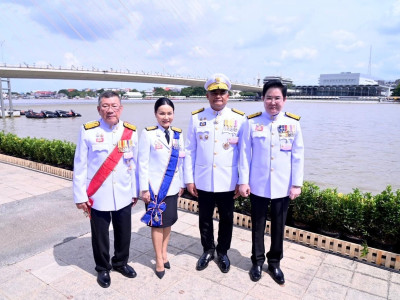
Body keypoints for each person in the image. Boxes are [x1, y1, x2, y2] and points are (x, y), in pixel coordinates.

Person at [238, 80, 304, 284]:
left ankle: (274, 263)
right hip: (257, 185)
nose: (272, 102)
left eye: (277, 98)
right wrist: (243, 181)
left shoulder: (293, 123)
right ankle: (257, 262)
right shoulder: (251, 122)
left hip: (282, 186)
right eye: (269, 98)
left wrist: (296, 184)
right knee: (257, 225)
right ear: (262, 99)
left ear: (284, 100)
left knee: (278, 226)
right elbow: (244, 154)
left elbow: (298, 155)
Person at [73, 91, 139, 288]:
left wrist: (134, 191)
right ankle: (102, 268)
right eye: (105, 106)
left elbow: (134, 164)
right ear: (98, 109)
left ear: (121, 108)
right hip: (98, 194)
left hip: (123, 192)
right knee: (100, 234)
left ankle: (120, 262)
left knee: (124, 231)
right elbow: (80, 165)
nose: (110, 110)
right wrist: (80, 195)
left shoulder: (131, 132)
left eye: (114, 106)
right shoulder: (88, 131)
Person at [184, 73, 246, 273]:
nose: (218, 96)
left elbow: (244, 153)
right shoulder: (196, 118)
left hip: (228, 181)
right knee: (204, 218)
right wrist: (189, 179)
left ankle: (223, 252)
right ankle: (208, 249)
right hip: (203, 180)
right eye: (214, 92)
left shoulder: (239, 118)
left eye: (222, 92)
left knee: (227, 218)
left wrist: (242, 180)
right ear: (207, 95)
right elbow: (190, 151)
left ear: (228, 95)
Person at [138, 97, 185, 279]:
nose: (166, 117)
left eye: (169, 113)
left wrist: (181, 184)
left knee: (168, 223)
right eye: (162, 113)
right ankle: (158, 259)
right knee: (157, 224)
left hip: (172, 188)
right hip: (155, 189)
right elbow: (142, 163)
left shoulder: (178, 135)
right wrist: (144, 189)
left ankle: (165, 253)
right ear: (156, 114)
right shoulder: (148, 134)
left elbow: (181, 162)